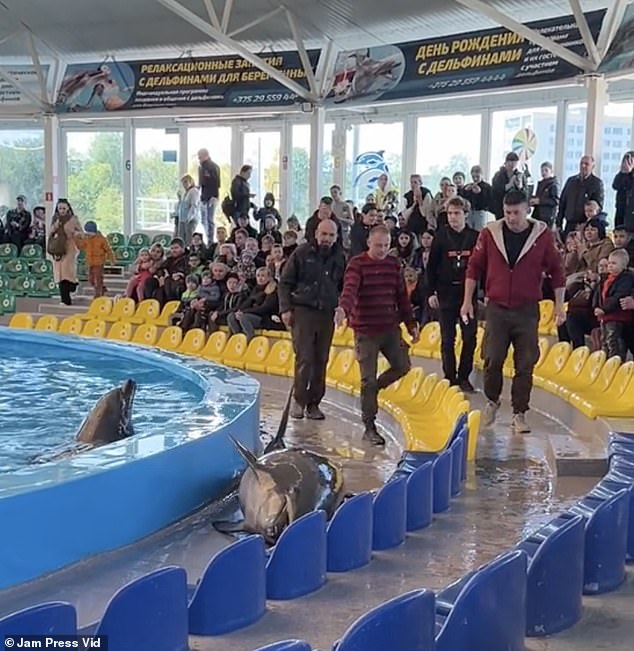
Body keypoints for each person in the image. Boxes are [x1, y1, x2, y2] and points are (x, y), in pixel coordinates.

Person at [460, 190, 565, 433]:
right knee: (492, 358)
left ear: (527, 210)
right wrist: (467, 301)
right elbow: (473, 268)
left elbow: (557, 272)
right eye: (507, 212)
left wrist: (559, 305)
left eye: (516, 212)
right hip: (497, 308)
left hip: (527, 310)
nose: (511, 217)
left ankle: (520, 413)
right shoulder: (490, 233)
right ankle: (492, 400)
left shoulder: (542, 235)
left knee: (525, 362)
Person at [335, 225, 421, 445]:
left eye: (385, 245)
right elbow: (350, 291)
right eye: (378, 245)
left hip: (390, 328)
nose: (382, 250)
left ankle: (373, 390)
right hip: (365, 331)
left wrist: (411, 324)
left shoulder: (393, 265)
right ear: (368, 243)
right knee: (367, 378)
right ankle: (369, 425)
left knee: (403, 365)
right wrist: (343, 310)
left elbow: (402, 297)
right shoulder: (357, 264)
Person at [279, 219, 345, 421]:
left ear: (336, 237)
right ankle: (299, 401)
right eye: (324, 234)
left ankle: (314, 403)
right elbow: (285, 282)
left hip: (326, 313)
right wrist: (286, 309)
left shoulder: (340, 257)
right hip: (303, 311)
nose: (327, 239)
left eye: (331, 235)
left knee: (321, 359)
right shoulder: (301, 253)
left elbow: (343, 286)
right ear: (316, 233)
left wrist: (342, 307)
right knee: (305, 358)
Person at [427, 197, 479, 391]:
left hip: (467, 293)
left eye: (457, 213)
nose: (453, 217)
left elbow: (482, 266)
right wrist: (431, 292)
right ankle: (450, 376)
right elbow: (431, 267)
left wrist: (481, 293)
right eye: (449, 213)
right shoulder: (440, 236)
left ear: (465, 214)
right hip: (445, 292)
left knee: (469, 336)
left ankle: (464, 376)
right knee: (448, 338)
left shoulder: (475, 236)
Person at [593, 249, 633, 361]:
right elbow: (598, 294)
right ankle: (605, 361)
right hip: (604, 316)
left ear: (624, 266)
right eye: (609, 263)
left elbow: (618, 297)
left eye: (614, 263)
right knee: (604, 339)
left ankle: (615, 361)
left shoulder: (626, 279)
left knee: (613, 339)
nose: (610, 266)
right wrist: (596, 306)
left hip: (616, 316)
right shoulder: (605, 279)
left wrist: (604, 309)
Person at [557, 155, 605, 235]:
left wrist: (587, 224)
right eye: (581, 163)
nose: (583, 166)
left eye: (586, 164)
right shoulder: (571, 181)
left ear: (592, 166)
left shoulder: (597, 183)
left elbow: (598, 206)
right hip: (569, 224)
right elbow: (562, 203)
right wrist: (558, 223)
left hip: (585, 226)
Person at [49, 199, 83, 306]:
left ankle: (73, 285)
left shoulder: (73, 219)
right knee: (60, 275)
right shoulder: (55, 219)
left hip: (70, 248)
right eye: (60, 208)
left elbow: (81, 233)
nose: (62, 211)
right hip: (58, 249)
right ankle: (65, 300)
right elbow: (50, 232)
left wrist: (74, 233)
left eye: (64, 208)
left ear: (68, 208)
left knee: (68, 274)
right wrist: (56, 225)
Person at [75, 220, 115, 298]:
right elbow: (81, 246)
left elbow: (108, 250)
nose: (88, 234)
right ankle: (102, 289)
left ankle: (98, 294)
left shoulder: (101, 239)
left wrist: (112, 259)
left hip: (99, 262)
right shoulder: (86, 238)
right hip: (90, 262)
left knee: (98, 279)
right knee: (91, 280)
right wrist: (77, 238)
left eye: (89, 232)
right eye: (87, 232)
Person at [197, 148, 221, 244]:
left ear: (206, 155)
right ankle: (207, 238)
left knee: (209, 220)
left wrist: (214, 197)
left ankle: (210, 241)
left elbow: (216, 183)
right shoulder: (201, 167)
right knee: (204, 220)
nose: (199, 158)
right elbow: (202, 183)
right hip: (204, 197)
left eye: (200, 156)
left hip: (211, 197)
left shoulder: (212, 167)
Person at [529, 161, 560, 227]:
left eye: (546, 170)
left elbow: (556, 201)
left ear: (551, 171)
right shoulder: (540, 184)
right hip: (537, 215)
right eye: (542, 170)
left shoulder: (554, 185)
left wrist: (540, 201)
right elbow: (538, 198)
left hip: (547, 217)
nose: (544, 173)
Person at [176, 175, 200, 246]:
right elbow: (182, 205)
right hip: (182, 219)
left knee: (189, 239)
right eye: (183, 183)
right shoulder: (186, 192)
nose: (184, 184)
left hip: (190, 219)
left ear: (191, 181)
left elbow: (194, 206)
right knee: (181, 239)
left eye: (186, 182)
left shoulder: (194, 191)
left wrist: (189, 217)